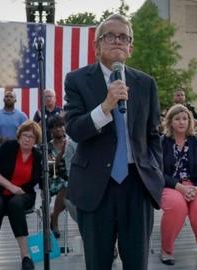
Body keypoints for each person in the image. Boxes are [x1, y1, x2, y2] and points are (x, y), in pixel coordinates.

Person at [64, 14, 164, 270]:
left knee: (137, 262)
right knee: (97, 263)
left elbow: (153, 136)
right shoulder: (77, 80)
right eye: (110, 36)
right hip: (96, 186)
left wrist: (155, 173)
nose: (117, 41)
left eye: (124, 37)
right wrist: (106, 106)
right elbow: (75, 129)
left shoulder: (146, 83)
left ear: (130, 47)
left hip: (136, 183)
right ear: (97, 46)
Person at [0, 120, 42, 270]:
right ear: (19, 136)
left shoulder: (38, 156)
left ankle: (25, 256)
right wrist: (11, 186)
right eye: (24, 135)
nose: (26, 139)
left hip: (23, 194)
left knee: (15, 204)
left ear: (36, 140)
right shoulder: (9, 147)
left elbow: (42, 180)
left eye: (31, 137)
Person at [160, 104, 197, 265]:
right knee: (177, 207)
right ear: (170, 122)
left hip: (196, 185)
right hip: (171, 185)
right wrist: (180, 187)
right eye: (177, 119)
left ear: (190, 121)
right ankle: (166, 250)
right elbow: (157, 172)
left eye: (185, 119)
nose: (181, 122)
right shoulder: (162, 142)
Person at [47, 116, 68, 239]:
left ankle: (54, 215)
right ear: (51, 130)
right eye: (55, 127)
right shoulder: (47, 147)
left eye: (60, 126)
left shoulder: (71, 142)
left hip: (70, 177)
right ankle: (54, 220)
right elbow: (50, 168)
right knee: (65, 186)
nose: (59, 129)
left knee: (68, 186)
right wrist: (61, 153)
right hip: (52, 179)